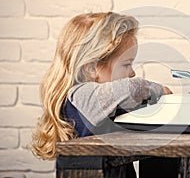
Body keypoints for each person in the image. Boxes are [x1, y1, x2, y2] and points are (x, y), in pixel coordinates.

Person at [31, 12, 172, 177]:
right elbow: (131, 88)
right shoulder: (82, 96)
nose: (132, 73)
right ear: (91, 68)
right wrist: (160, 90)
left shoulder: (97, 104)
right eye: (126, 64)